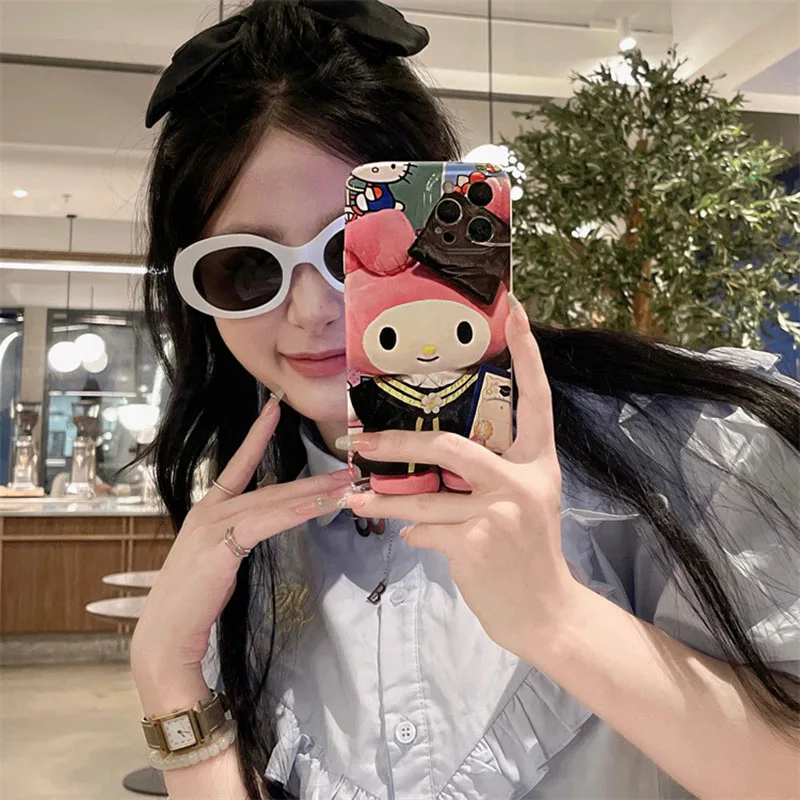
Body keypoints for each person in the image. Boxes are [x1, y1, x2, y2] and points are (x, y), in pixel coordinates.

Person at [129, 2, 800, 799]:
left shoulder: (685, 449)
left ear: (446, 230)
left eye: (352, 249)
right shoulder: (246, 545)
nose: (310, 311)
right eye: (246, 269)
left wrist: (556, 617)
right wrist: (168, 675)